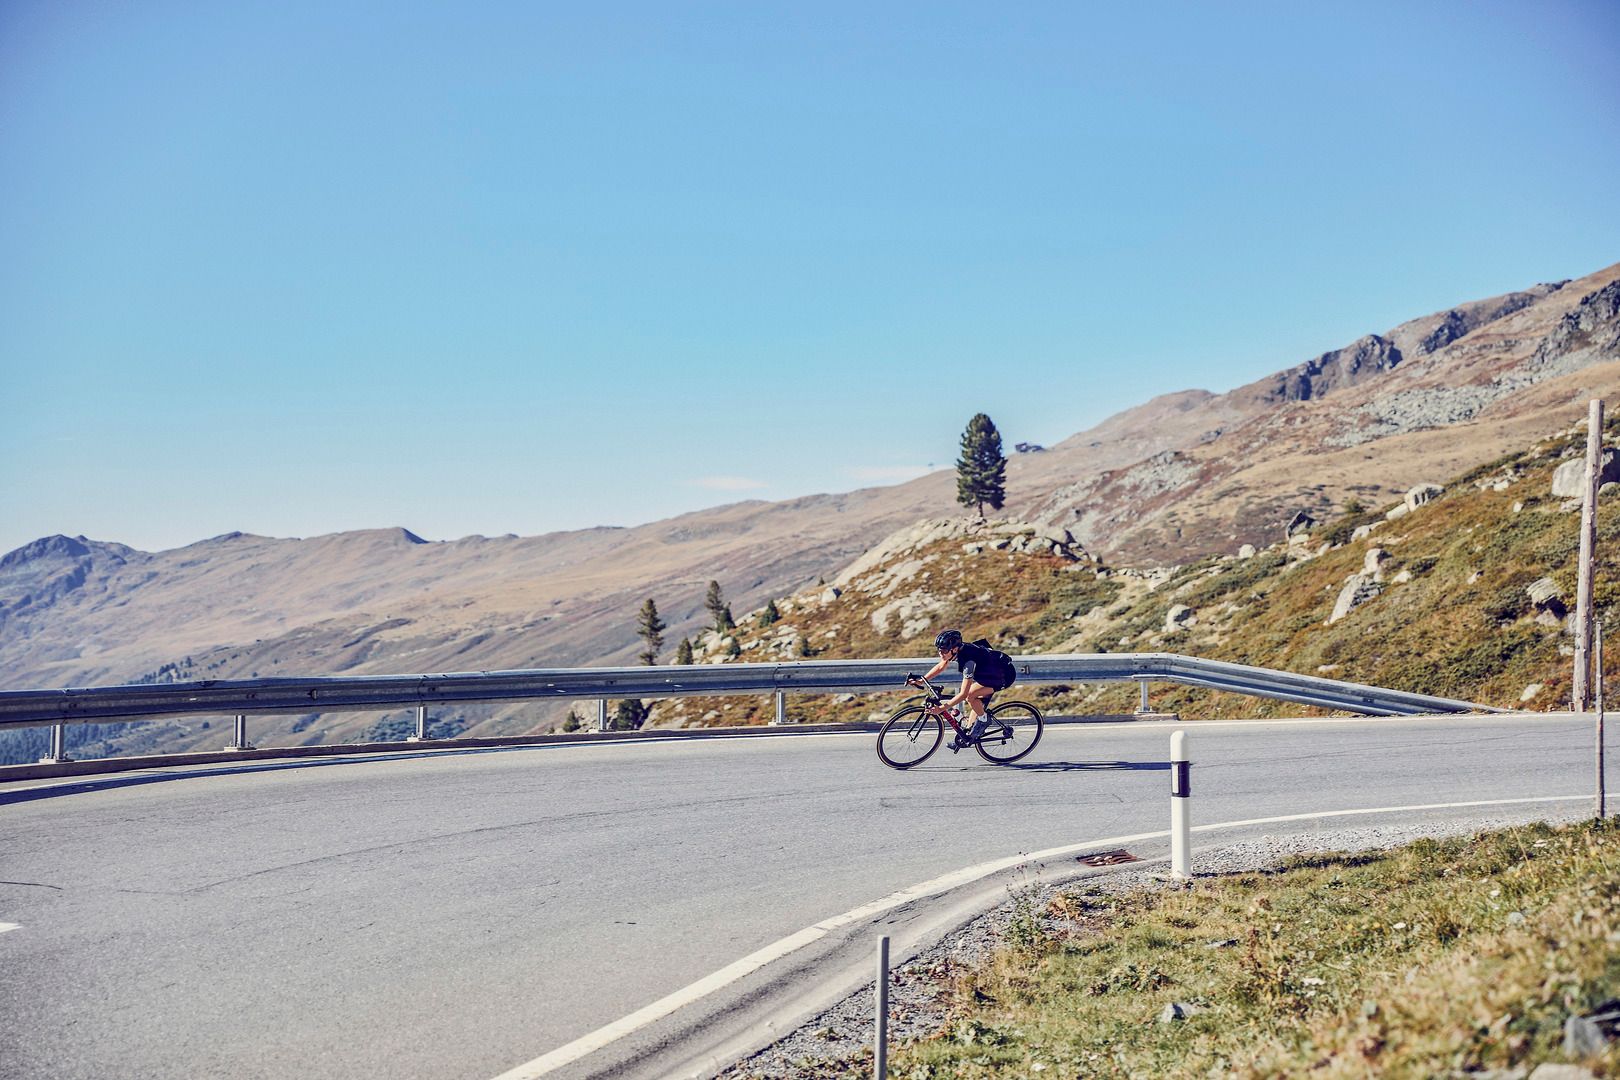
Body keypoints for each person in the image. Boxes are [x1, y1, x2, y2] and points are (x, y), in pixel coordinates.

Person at [906, 629, 1016, 747]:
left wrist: (942, 708)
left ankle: (984, 720)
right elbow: (941, 666)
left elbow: (963, 694)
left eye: (943, 650)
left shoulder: (968, 661)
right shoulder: (956, 651)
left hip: (1004, 675)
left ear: (954, 649)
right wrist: (922, 680)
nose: (940, 653)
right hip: (989, 673)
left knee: (970, 695)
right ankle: (967, 736)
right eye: (939, 650)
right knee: (974, 701)